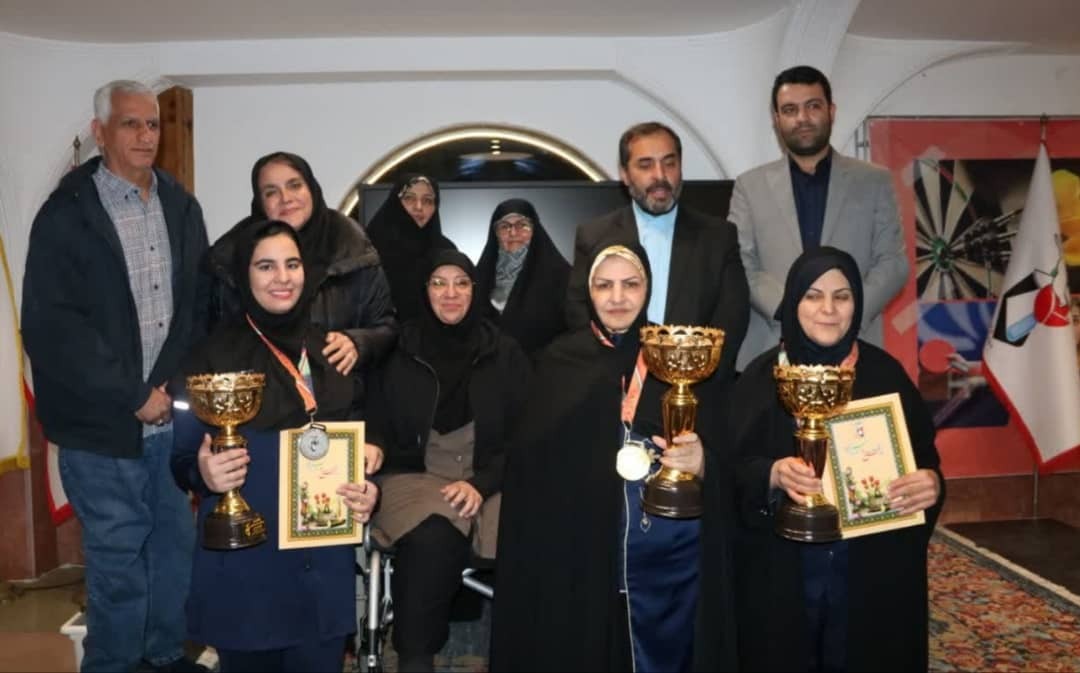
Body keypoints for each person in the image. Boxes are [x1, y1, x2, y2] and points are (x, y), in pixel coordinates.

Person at [21, 79, 209, 673]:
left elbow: (196, 308)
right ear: (99, 132)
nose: (146, 135)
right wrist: (132, 395)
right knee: (120, 565)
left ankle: (163, 657)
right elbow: (54, 329)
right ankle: (115, 665)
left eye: (152, 124)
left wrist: (171, 389)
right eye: (130, 124)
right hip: (99, 431)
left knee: (174, 552)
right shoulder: (66, 214)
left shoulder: (181, 206)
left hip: (168, 426)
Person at [493, 243, 733, 672]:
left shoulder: (678, 353)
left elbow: (725, 453)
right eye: (604, 286)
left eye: (630, 284)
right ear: (588, 291)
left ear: (648, 288)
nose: (617, 298)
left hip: (664, 554)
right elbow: (530, 464)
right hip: (579, 551)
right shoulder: (559, 361)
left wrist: (701, 462)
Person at [172, 220, 381, 673]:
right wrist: (203, 474)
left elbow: (357, 444)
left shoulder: (332, 351)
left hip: (320, 570)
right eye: (265, 266)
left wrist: (366, 488)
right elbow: (183, 458)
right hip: (247, 572)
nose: (282, 278)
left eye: (292, 264)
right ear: (243, 275)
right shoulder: (209, 356)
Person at [729, 246, 944, 672]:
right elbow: (727, 472)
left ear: (857, 304)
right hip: (781, 570)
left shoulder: (886, 374)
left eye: (841, 297)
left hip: (867, 570)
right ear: (793, 301)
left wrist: (933, 484)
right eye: (813, 296)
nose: (828, 309)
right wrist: (770, 475)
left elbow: (925, 461)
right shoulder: (759, 379)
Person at [364, 249, 529, 672]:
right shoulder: (397, 347)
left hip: (491, 477)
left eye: (461, 283)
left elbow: (527, 435)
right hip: (413, 475)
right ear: (425, 291)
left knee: (537, 532)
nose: (450, 293)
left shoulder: (505, 351)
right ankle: (414, 660)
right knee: (433, 538)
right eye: (439, 283)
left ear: (476, 289)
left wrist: (482, 483)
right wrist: (373, 442)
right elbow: (372, 411)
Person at [729, 65, 908, 371]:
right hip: (773, 348)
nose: (802, 118)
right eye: (790, 110)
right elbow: (739, 262)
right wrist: (791, 308)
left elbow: (893, 263)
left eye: (813, 106)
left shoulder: (874, 181)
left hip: (855, 347)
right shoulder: (749, 186)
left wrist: (844, 311)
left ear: (831, 111)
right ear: (776, 119)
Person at [565, 121, 748, 381]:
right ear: (625, 174)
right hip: (614, 383)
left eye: (669, 163)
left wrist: (696, 380)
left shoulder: (718, 237)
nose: (660, 175)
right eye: (645, 165)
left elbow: (732, 320)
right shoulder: (593, 235)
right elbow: (579, 314)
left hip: (694, 387)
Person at [207, 151, 397, 387]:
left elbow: (386, 327)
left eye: (294, 185)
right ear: (259, 202)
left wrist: (358, 343)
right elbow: (214, 337)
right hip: (260, 397)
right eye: (271, 192)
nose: (285, 198)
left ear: (311, 189)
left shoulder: (352, 245)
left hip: (341, 397)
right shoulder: (230, 255)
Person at [475, 198, 570, 356]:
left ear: (535, 230)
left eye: (522, 225)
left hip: (544, 365)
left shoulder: (561, 275)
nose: (513, 233)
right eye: (504, 226)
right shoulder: (480, 276)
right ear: (495, 233)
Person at [366, 174, 457, 323]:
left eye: (427, 201)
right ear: (395, 202)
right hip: (378, 333)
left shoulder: (445, 250)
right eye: (409, 198)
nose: (418, 207)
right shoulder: (369, 248)